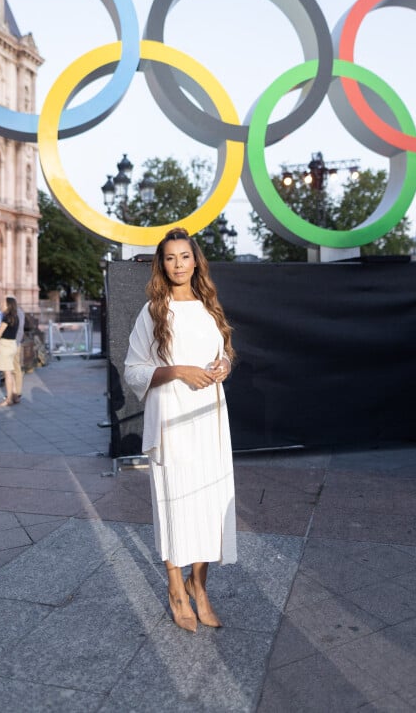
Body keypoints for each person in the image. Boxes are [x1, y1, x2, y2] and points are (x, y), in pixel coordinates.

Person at [124, 227, 236, 633]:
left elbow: (221, 353)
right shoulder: (153, 311)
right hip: (172, 416)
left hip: (208, 414)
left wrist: (224, 365)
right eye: (170, 258)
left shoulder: (209, 305)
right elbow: (133, 369)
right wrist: (178, 370)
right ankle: (175, 588)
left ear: (195, 260)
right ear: (162, 263)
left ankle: (199, 587)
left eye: (184, 257)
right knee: (174, 501)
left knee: (208, 500)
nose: (178, 265)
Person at [0, 297, 19, 407]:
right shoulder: (15, 317)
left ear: (9, 305)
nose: (1, 305)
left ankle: (9, 398)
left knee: (7, 373)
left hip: (5, 346)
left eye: (3, 303)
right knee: (11, 371)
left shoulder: (6, 318)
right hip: (13, 344)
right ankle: (15, 395)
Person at [8, 296, 25, 403]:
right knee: (11, 369)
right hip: (9, 343)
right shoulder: (9, 313)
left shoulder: (18, 313)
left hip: (14, 343)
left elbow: (20, 330)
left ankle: (17, 392)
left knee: (16, 368)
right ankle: (13, 391)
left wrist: (15, 342)